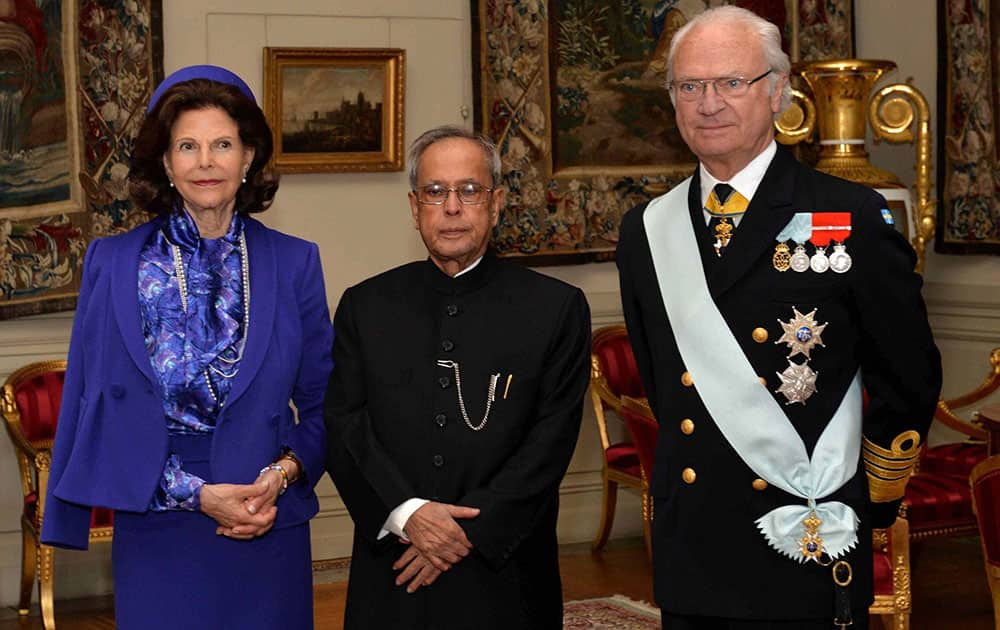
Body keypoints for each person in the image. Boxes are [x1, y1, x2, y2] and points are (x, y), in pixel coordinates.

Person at [616, 7, 942, 629]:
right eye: (691, 86)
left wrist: (867, 498)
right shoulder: (647, 229)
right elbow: (662, 379)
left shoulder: (849, 215)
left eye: (731, 83)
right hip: (695, 539)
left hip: (804, 531)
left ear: (777, 92)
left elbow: (909, 376)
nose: (709, 103)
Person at [40, 65, 333, 629]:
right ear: (167, 163)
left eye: (223, 144)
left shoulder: (296, 261)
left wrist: (284, 474)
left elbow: (328, 401)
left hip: (265, 516)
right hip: (159, 520)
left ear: (248, 158)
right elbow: (94, 408)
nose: (206, 161)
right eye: (188, 146)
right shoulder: (115, 262)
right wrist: (193, 493)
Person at [325, 125, 591, 629]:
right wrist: (409, 515)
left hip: (505, 569)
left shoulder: (556, 308)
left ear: (496, 204)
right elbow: (345, 426)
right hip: (395, 564)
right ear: (413, 206)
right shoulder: (366, 305)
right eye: (435, 192)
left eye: (469, 191)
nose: (452, 207)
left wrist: (463, 533)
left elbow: (550, 440)